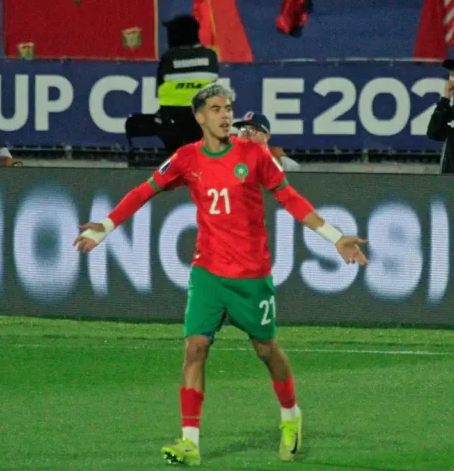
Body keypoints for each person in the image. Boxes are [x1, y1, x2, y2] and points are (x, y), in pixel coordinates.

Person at [73, 84, 367, 467]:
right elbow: (145, 191)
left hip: (251, 276)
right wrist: (106, 226)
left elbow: (290, 199)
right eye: (216, 109)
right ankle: (189, 442)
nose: (225, 115)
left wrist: (335, 237)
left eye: (227, 108)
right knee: (195, 348)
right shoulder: (186, 158)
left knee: (267, 351)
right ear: (200, 117)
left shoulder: (254, 154)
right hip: (208, 273)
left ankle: (291, 415)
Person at [125, 14, 219, 159]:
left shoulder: (169, 58)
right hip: (203, 122)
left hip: (172, 121)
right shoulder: (211, 56)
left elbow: (160, 85)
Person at [233, 111, 301, 172]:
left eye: (252, 129)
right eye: (242, 129)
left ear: (267, 136)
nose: (245, 133)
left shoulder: (287, 166)